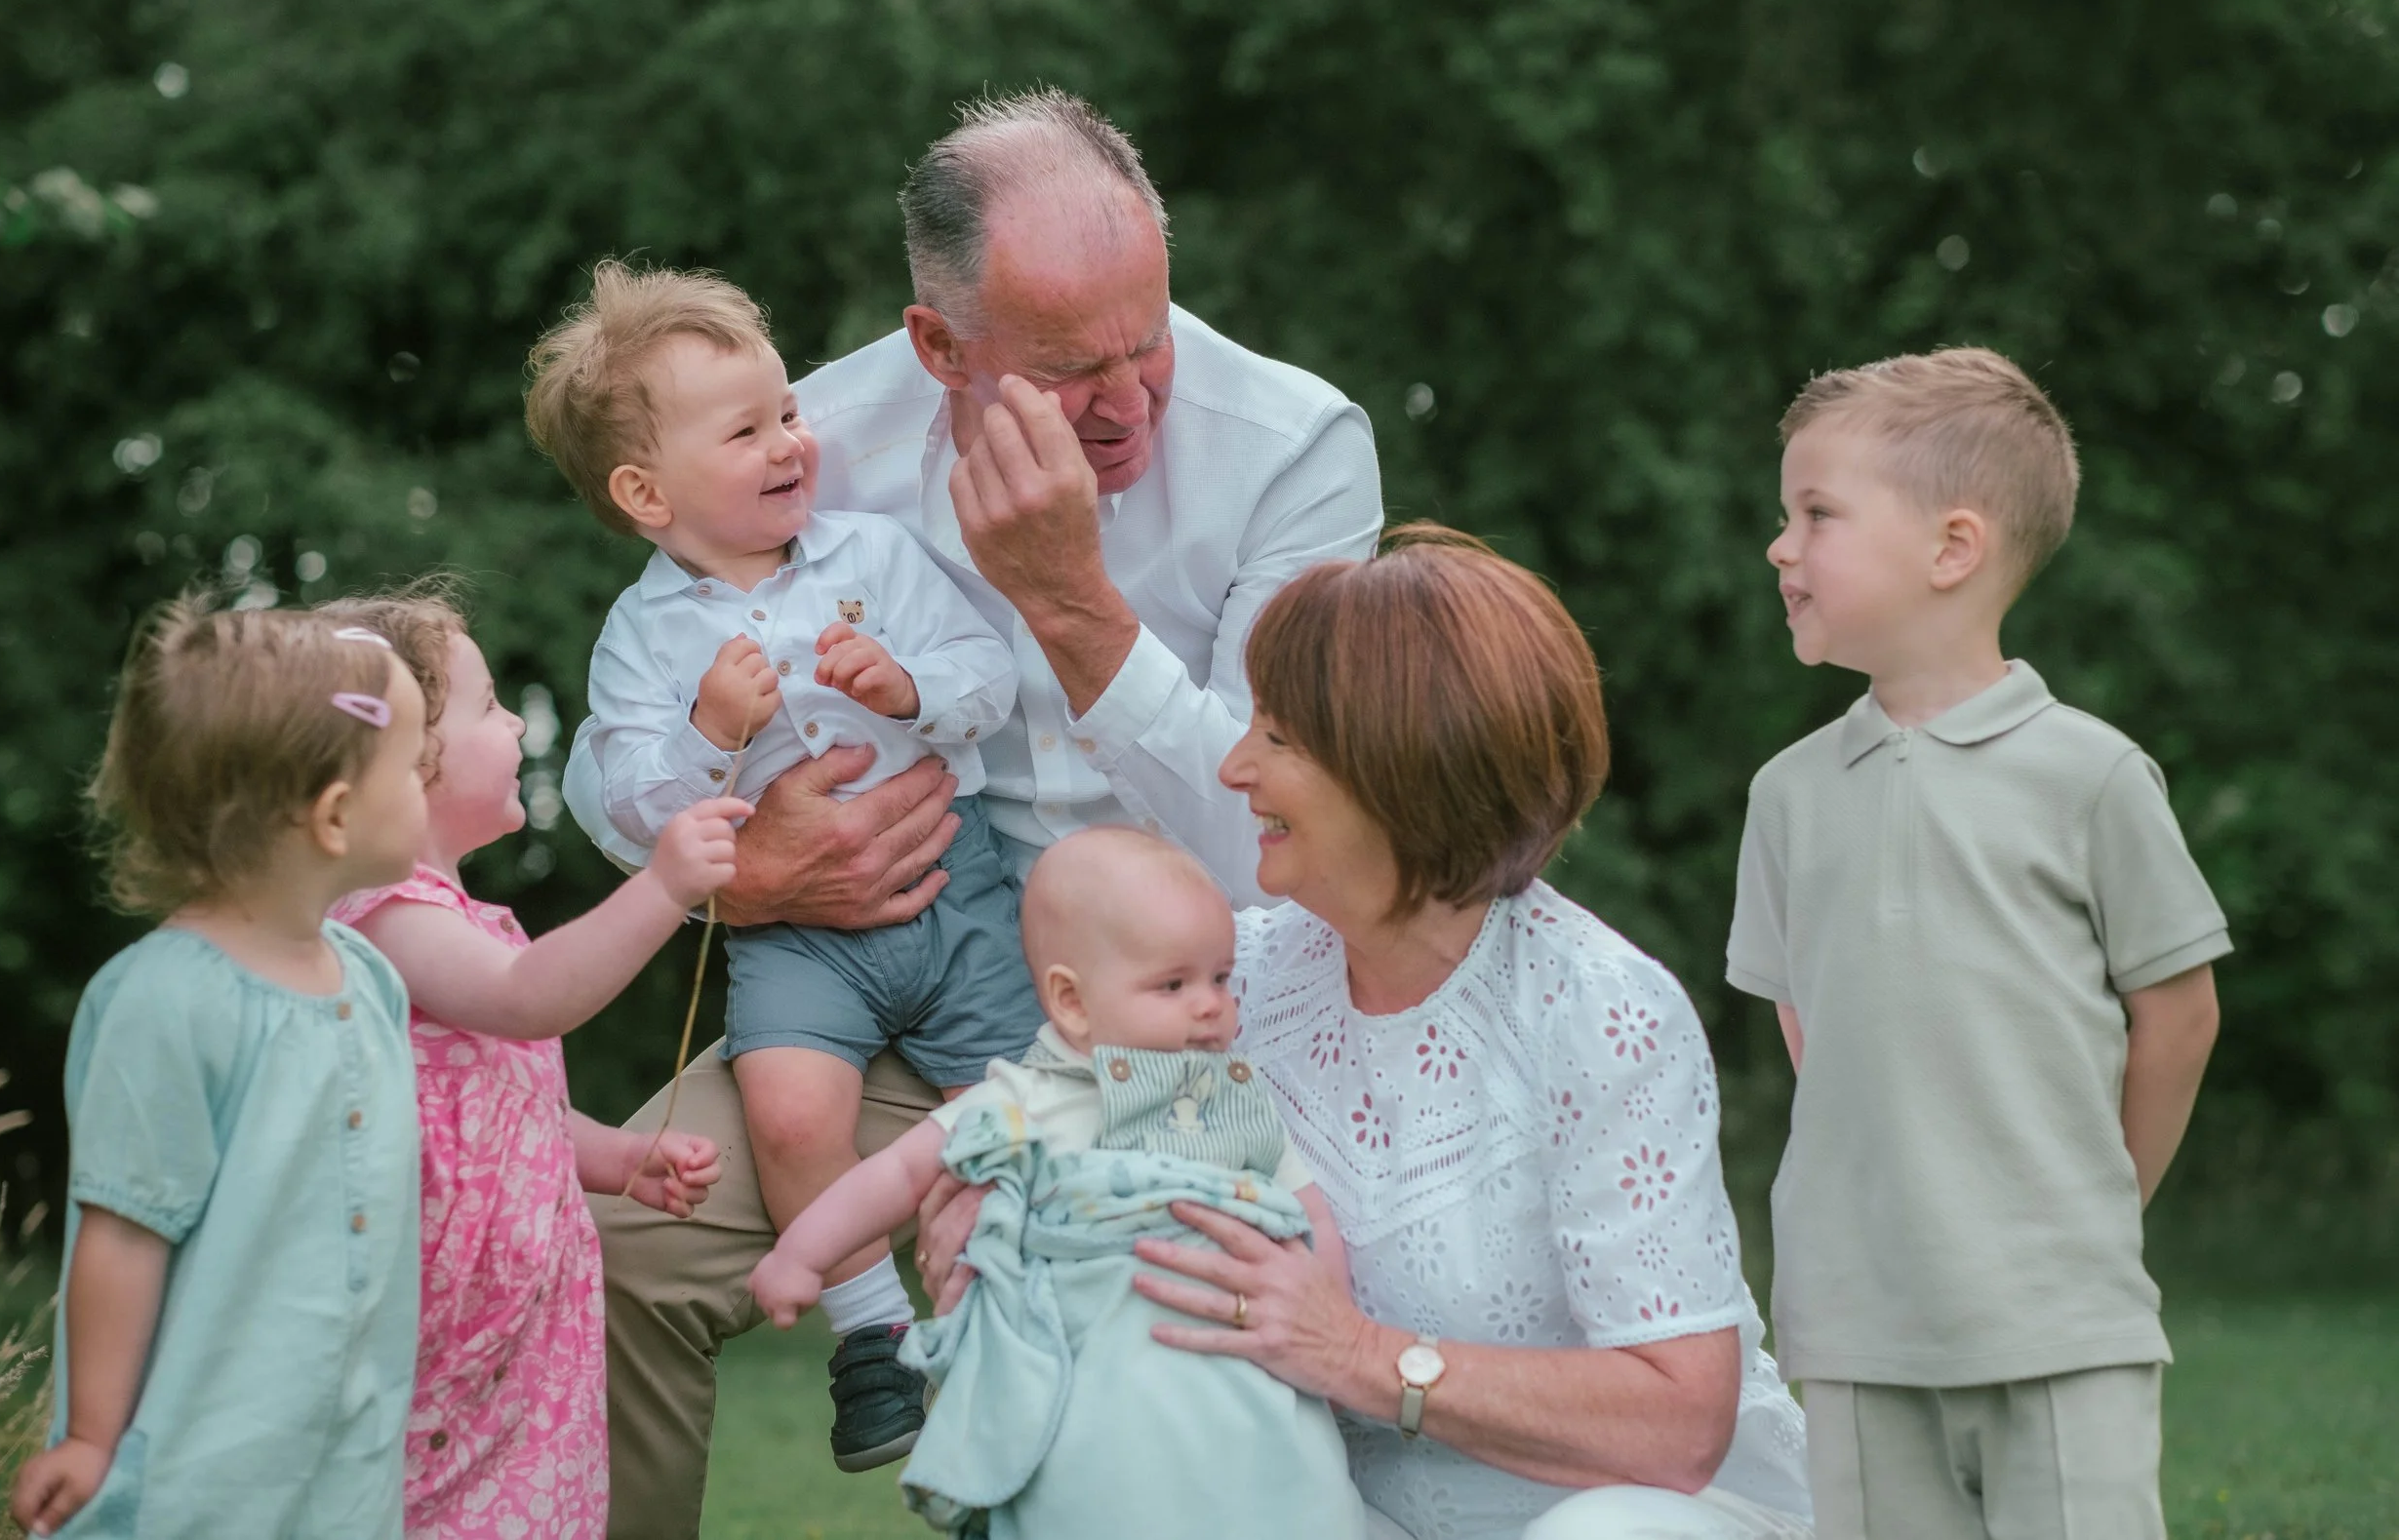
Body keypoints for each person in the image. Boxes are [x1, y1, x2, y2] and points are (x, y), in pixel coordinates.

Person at [562, 88, 1382, 1534]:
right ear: (938, 343)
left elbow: (1274, 824)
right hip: (892, 969)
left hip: (1208, 1005)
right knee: (615, 1247)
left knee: (1195, 1316)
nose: (1131, 403)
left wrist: (1073, 600)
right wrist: (733, 879)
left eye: (1151, 340)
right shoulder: (807, 440)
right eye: (1072, 369)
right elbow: (604, 758)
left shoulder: (1295, 447)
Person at [920, 527, 1816, 1538]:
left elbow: (1679, 1421)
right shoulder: (1227, 990)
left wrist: (1355, 1352)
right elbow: (1060, 1149)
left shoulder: (1602, 1009)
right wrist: (990, 1221)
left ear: (1402, 765)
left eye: (1280, 736)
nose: (1235, 764)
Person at [529, 258, 1044, 1470]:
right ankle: (871, 1340)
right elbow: (638, 802)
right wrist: (707, 736)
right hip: (797, 939)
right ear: (645, 491)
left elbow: (989, 676)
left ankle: (1007, 1334)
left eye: (790, 415)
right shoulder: (643, 638)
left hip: (956, 888)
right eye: (748, 428)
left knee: (1023, 1106)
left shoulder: (874, 552)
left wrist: (908, 686)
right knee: (785, 1103)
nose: (789, 443)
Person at [1726, 349, 2227, 1537]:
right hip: (1856, 1317)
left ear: (1951, 549)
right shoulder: (1787, 794)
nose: (1779, 546)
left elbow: (2180, 1010)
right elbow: (1811, 1024)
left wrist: (2100, 1200)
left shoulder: (2090, 773)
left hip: (2059, 1310)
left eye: (1816, 515)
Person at [751, 826, 1365, 1539]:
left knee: (1290, 1492)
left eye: (1221, 979)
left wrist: (1334, 1325)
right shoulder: (1024, 1098)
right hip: (1096, 1397)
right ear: (1071, 1001)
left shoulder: (1235, 1099)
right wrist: (802, 1253)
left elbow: (1309, 1211)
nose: (1211, 1004)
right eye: (1174, 983)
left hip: (1238, 1386)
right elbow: (898, 1171)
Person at [322, 590, 742, 1537]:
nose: (515, 721)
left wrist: (608, 1155)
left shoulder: (453, 917)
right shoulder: (383, 911)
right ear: (408, 758)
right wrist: (663, 884)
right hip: (443, 1343)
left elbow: (492, 1100)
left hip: (517, 1337)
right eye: (487, 705)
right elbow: (527, 996)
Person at [11, 603, 431, 1537]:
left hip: (342, 1478)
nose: (425, 787)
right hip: (199, 1481)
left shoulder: (368, 980)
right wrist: (88, 1437)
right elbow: (124, 1234)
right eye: (410, 767)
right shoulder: (164, 1001)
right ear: (334, 815)